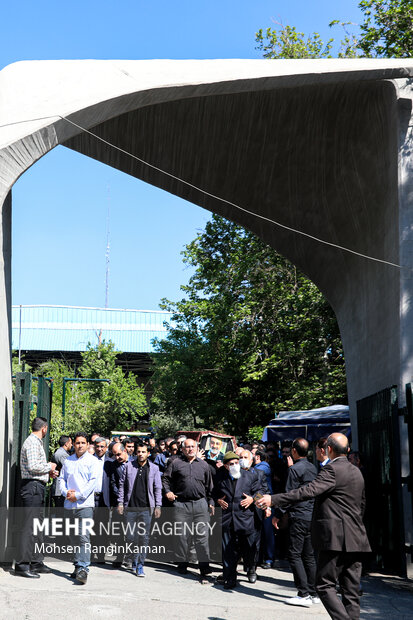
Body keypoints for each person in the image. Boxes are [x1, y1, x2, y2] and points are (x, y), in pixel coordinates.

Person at [256, 433, 371, 619]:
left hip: (335, 538)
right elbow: (362, 504)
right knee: (350, 591)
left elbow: (307, 491)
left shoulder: (331, 470)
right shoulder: (355, 470)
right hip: (356, 537)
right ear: (347, 450)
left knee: (324, 585)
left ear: (329, 449)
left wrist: (273, 500)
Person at [273, 438, 319, 607]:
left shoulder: (295, 470)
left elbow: (288, 495)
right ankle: (313, 593)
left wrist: (278, 514)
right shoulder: (312, 467)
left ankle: (303, 593)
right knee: (309, 556)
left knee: (294, 554)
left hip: (298, 516)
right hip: (310, 515)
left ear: (294, 451)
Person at [162, 438, 214, 583]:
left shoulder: (204, 465)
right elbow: (165, 479)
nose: (190, 449)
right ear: (182, 449)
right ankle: (182, 564)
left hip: (200, 504)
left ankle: (204, 568)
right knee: (181, 536)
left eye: (193, 447)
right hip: (181, 504)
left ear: (197, 448)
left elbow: (210, 486)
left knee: (202, 537)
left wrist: (210, 502)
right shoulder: (176, 463)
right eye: (187, 447)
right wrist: (167, 492)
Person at [213, 451, 264, 589]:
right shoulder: (220, 477)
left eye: (237, 463)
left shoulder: (250, 476)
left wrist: (252, 499)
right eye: (231, 464)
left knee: (249, 548)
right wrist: (217, 500)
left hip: (245, 519)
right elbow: (212, 494)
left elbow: (261, 493)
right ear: (225, 466)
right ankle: (230, 578)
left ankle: (251, 569)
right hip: (227, 519)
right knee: (228, 550)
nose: (235, 465)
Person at [14, 417, 57, 578]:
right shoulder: (32, 442)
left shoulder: (35, 442)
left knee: (37, 526)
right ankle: (22, 565)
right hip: (32, 487)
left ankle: (35, 561)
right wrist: (49, 466)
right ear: (44, 428)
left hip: (36, 487)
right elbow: (32, 466)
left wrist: (47, 472)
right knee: (29, 527)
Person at [59, 431, 100, 584]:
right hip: (69, 504)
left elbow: (92, 482)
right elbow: (61, 480)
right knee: (72, 537)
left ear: (87, 444)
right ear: (73, 444)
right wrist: (66, 492)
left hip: (84, 505)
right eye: (77, 443)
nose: (80, 445)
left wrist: (79, 495)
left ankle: (83, 568)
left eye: (83, 442)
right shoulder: (68, 461)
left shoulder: (93, 461)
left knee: (83, 537)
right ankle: (77, 566)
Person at [118, 442, 162, 576]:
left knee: (143, 537)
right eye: (139, 452)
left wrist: (158, 506)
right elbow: (122, 486)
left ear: (148, 453)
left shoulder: (154, 468)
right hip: (130, 508)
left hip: (146, 509)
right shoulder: (128, 466)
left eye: (143, 452)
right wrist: (120, 503)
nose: (141, 454)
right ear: (135, 453)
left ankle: (140, 564)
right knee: (131, 537)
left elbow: (157, 488)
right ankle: (132, 559)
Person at [51, 434, 72, 508]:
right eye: (71, 443)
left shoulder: (59, 452)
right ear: (66, 443)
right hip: (60, 489)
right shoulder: (62, 454)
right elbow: (68, 469)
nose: (71, 445)